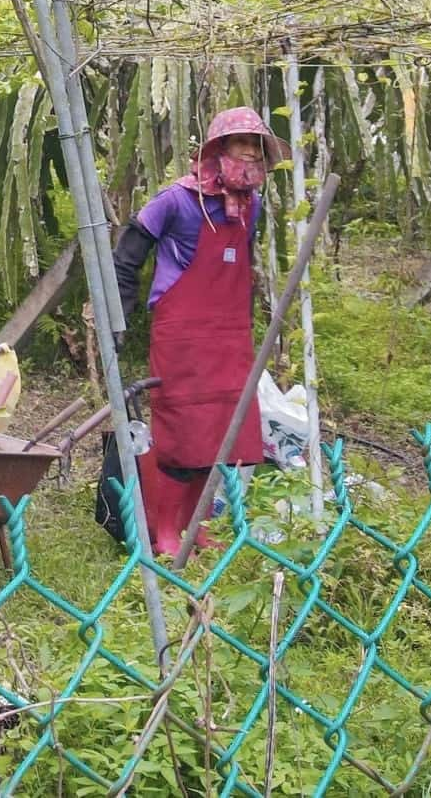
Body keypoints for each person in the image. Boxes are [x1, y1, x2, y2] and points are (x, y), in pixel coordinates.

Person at [109, 107, 288, 556]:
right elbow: (129, 251)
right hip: (182, 337)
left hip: (229, 337)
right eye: (240, 150)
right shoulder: (176, 200)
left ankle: (196, 523)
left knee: (220, 437)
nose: (248, 161)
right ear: (216, 152)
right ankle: (165, 528)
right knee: (180, 434)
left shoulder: (253, 208)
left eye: (256, 154)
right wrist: (120, 314)